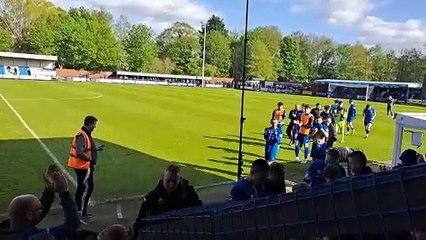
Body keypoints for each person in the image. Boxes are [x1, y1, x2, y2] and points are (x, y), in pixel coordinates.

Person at [0, 164, 80, 240]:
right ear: (29, 215)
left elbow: (35, 215)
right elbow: (72, 225)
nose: (41, 211)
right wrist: (64, 192)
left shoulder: (5, 231)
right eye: (38, 209)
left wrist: (49, 191)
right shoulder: (36, 237)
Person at [132, 165, 202, 240]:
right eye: (168, 181)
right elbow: (140, 221)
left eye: (175, 181)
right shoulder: (152, 197)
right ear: (163, 179)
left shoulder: (189, 193)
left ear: (179, 179)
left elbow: (200, 211)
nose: (171, 185)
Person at [67, 115, 104, 224]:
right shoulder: (81, 135)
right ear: (89, 124)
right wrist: (90, 158)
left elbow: (85, 148)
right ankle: (80, 213)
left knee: (85, 188)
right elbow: (80, 152)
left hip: (84, 166)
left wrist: (95, 149)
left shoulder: (85, 134)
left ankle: (81, 211)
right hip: (83, 167)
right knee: (85, 189)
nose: (95, 127)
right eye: (94, 124)